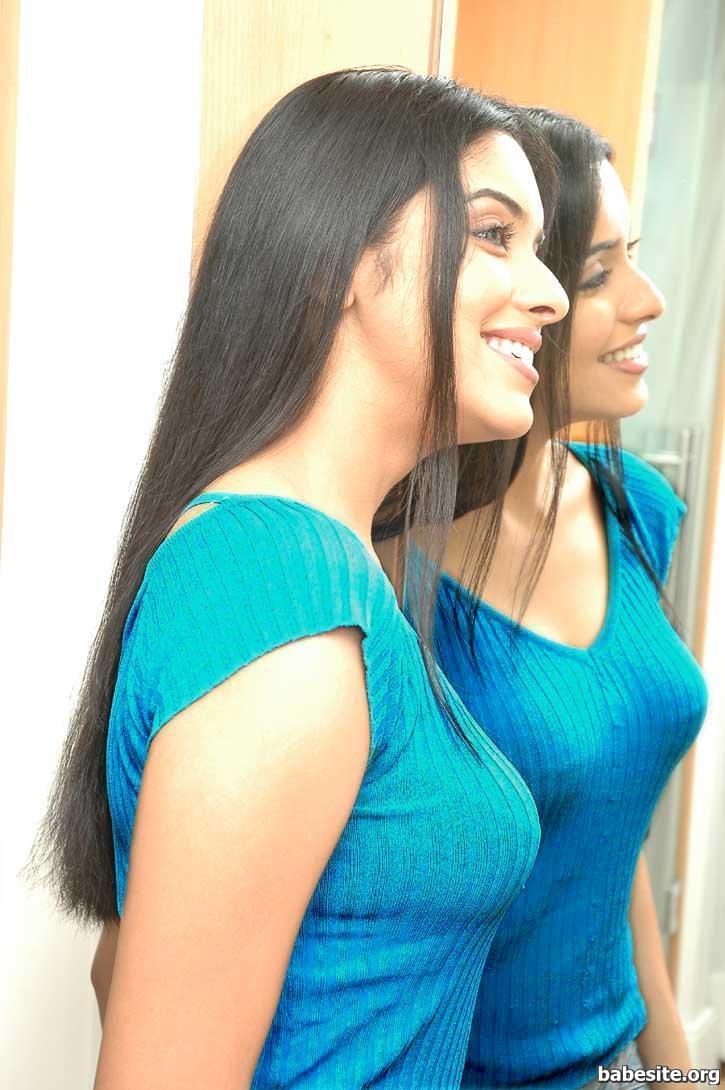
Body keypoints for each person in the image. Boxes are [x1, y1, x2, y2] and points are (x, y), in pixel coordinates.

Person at [26, 69, 568, 1088]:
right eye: (494, 235)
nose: (550, 293)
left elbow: (119, 969)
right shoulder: (289, 600)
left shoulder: (320, 566)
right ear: (335, 262)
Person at [378, 108, 707, 1088]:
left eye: (630, 260)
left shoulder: (636, 508)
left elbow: (610, 827)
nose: (648, 301)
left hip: (616, 1063)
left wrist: (674, 1068)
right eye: (599, 274)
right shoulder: (386, 571)